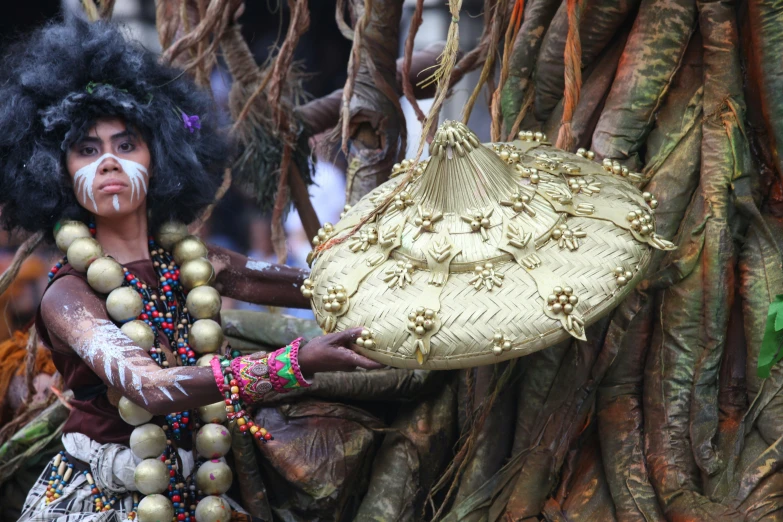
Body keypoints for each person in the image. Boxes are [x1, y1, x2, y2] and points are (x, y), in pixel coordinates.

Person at [0, 18, 381, 522]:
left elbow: (319, 289)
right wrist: (296, 361)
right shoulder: (67, 295)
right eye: (87, 150)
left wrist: (394, 277)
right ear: (59, 171)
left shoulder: (195, 262)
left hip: (205, 494)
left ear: (159, 158)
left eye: (126, 144)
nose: (109, 162)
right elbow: (151, 388)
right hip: (100, 503)